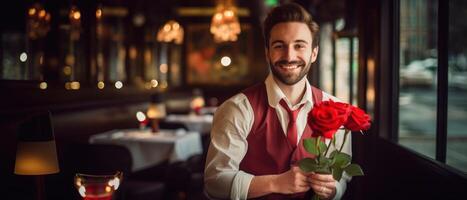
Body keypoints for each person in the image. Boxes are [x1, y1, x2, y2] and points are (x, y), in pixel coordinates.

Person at [204, 3, 351, 200]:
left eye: (299, 45)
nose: (289, 56)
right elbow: (215, 182)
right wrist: (276, 182)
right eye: (279, 46)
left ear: (314, 53)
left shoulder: (336, 109)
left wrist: (333, 190)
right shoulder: (236, 109)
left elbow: (343, 176)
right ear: (267, 52)